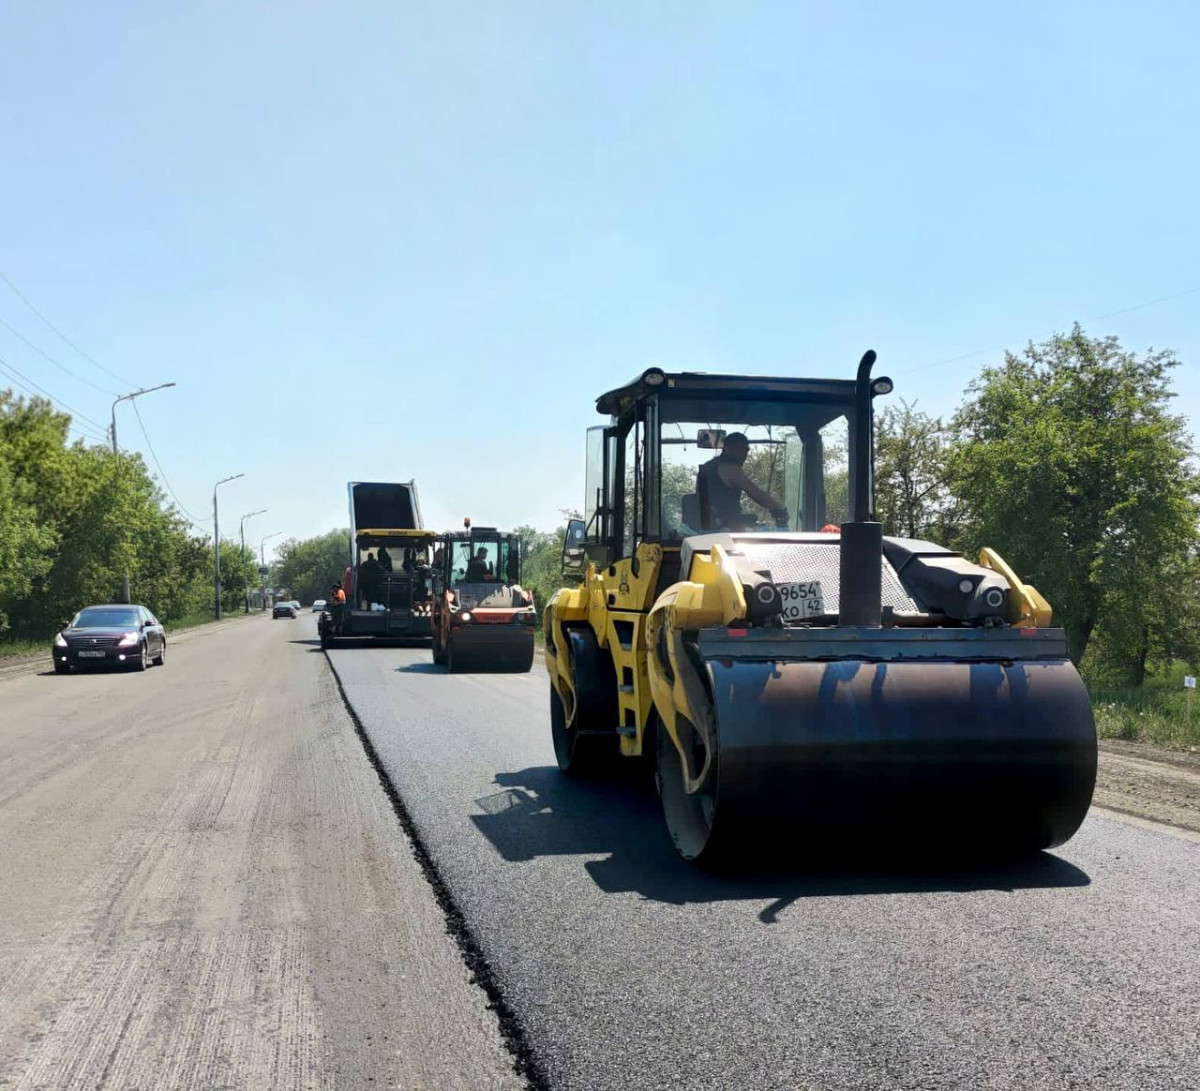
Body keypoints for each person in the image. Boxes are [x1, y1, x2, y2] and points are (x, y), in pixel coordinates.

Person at [696, 432, 789, 531]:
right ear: (727, 449)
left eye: (746, 451)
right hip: (725, 529)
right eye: (740, 450)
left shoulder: (707, 467)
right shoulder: (730, 468)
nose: (744, 455)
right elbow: (756, 493)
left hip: (708, 528)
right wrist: (779, 509)